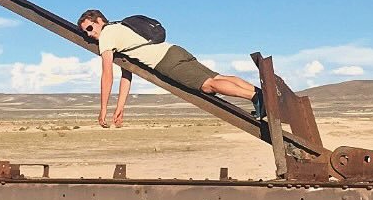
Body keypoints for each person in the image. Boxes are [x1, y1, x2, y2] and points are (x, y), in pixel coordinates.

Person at [76, 9, 264, 128]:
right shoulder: (119, 28)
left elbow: (107, 75)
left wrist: (102, 110)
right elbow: (127, 73)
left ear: (100, 20)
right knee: (218, 77)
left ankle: (255, 98)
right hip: (174, 51)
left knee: (208, 86)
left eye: (90, 28)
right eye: (85, 32)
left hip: (166, 62)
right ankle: (259, 94)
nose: (89, 34)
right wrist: (120, 107)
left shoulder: (107, 35)